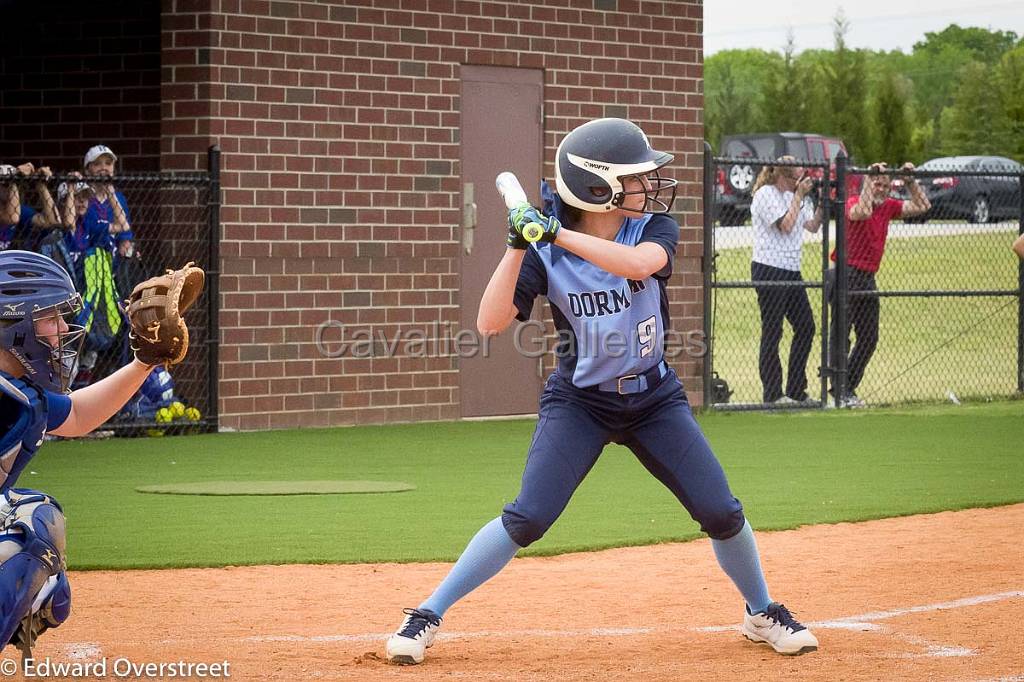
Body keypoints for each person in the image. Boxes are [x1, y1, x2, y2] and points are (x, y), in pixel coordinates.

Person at [385, 118, 819, 665]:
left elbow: (639, 266)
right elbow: (489, 323)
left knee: (720, 510)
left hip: (654, 398)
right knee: (528, 518)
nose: (649, 184)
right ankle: (426, 613)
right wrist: (519, 245)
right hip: (581, 403)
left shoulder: (651, 228)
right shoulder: (543, 247)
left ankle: (761, 611)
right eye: (634, 177)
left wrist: (556, 234)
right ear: (598, 187)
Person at [0, 250, 198, 657]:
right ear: (13, 325)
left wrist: (145, 361)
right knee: (28, 537)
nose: (61, 330)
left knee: (49, 574)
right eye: (49, 318)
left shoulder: (22, 396)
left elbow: (78, 415)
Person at [828, 162, 930, 407]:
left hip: (866, 276)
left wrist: (909, 181)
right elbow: (861, 212)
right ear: (868, 183)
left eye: (885, 184)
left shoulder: (889, 207)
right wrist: (867, 180)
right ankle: (838, 389)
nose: (881, 188)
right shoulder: (853, 201)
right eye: (877, 183)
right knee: (841, 334)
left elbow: (923, 206)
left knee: (869, 337)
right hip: (844, 272)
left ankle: (848, 387)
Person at [749, 158, 822, 404]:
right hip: (769, 268)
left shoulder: (798, 196)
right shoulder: (766, 194)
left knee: (806, 326)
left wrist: (824, 204)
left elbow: (811, 226)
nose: (801, 183)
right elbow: (786, 225)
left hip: (792, 269)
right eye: (797, 179)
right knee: (773, 330)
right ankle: (773, 394)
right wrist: (799, 196)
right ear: (784, 177)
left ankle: (796, 390)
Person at [0, 163, 58, 251]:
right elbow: (12, 218)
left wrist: (40, 184)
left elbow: (51, 221)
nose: (10, 189)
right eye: (5, 184)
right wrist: (14, 178)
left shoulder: (20, 210)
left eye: (16, 184)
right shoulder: (14, 212)